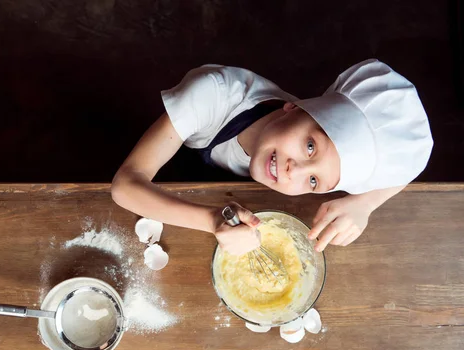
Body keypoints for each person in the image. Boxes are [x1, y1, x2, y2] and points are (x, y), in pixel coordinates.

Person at [111, 59, 433, 255]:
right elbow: (125, 185)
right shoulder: (210, 94)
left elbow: (407, 168)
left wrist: (364, 204)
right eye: (310, 146)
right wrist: (212, 219)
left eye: (313, 180)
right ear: (293, 106)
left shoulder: (295, 156)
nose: (294, 171)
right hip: (176, 159)